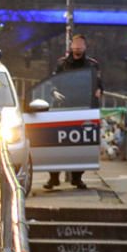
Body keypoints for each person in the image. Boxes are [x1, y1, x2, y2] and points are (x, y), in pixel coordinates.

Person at [45, 33, 104, 190]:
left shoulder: (92, 65)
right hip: (62, 110)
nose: (77, 46)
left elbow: (99, 86)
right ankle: (53, 177)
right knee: (56, 145)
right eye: (75, 43)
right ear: (71, 46)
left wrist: (98, 93)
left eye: (80, 44)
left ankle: (77, 178)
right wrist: (54, 92)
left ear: (85, 47)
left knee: (81, 146)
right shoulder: (62, 64)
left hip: (84, 111)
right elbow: (53, 83)